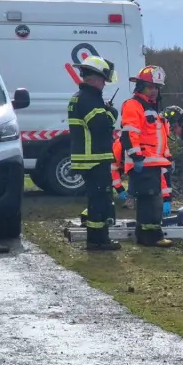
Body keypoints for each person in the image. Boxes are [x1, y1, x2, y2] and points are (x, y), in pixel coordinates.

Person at [67, 55, 121, 252]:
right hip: (94, 158)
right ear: (96, 78)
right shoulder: (90, 98)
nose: (104, 84)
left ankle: (97, 239)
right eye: (104, 80)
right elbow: (100, 126)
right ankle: (98, 241)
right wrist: (111, 113)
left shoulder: (80, 97)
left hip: (87, 158)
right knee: (99, 201)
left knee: (97, 199)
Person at [120, 65, 174, 248]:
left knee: (151, 201)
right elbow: (129, 133)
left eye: (156, 87)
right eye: (150, 87)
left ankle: (147, 236)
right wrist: (136, 157)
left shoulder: (153, 109)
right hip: (144, 161)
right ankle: (151, 237)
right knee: (150, 201)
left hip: (153, 162)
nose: (154, 91)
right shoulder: (134, 105)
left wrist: (168, 158)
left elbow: (160, 139)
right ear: (141, 86)